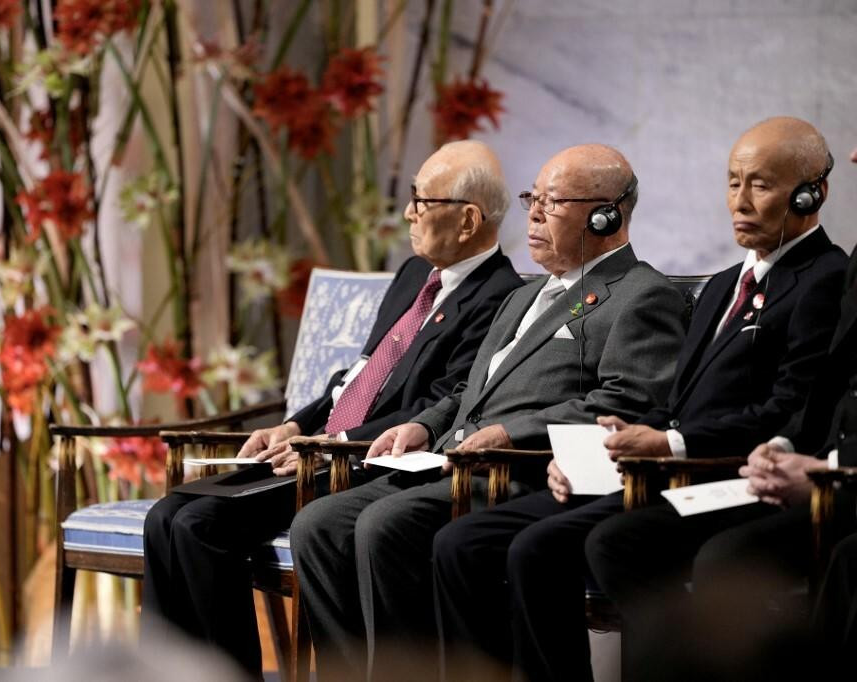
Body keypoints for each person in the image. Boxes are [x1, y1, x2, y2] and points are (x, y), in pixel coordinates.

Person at [291, 143, 687, 681]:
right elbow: (469, 391)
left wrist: (510, 430)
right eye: (532, 199)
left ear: (606, 214)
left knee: (385, 524)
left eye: (554, 202)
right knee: (319, 523)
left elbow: (627, 402)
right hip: (451, 460)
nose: (535, 215)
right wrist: (424, 423)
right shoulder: (521, 297)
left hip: (520, 470)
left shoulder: (642, 294)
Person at [140, 140, 522, 676]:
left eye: (421, 200)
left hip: (359, 464)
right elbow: (358, 375)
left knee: (197, 525)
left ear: (467, 221)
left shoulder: (500, 296)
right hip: (316, 445)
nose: (409, 212)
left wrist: (330, 446)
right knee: (165, 517)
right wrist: (295, 423)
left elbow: (442, 406)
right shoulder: (415, 275)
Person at [578, 117, 849, 682]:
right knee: (593, 538)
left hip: (744, 472)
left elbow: (799, 402)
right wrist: (618, 439)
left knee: (647, 546)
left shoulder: (827, 277)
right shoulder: (724, 283)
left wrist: (675, 442)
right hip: (690, 470)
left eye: (761, 185)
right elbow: (678, 400)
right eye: (733, 182)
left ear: (809, 193)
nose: (741, 202)